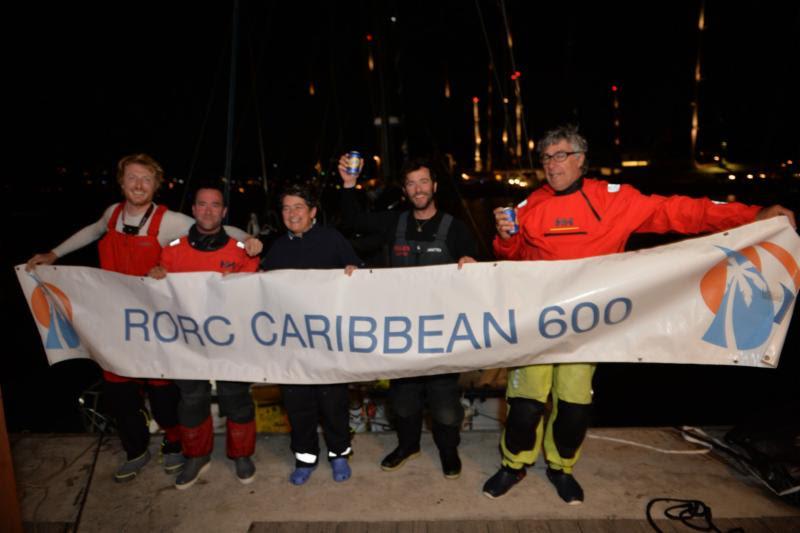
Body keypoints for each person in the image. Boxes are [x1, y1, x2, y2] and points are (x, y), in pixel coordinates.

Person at [484, 124, 796, 504]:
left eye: (561, 155)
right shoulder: (528, 205)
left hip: (588, 326)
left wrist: (753, 214)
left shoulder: (616, 200)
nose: (552, 164)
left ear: (581, 161)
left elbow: (683, 211)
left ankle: (561, 468)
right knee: (525, 407)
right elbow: (510, 260)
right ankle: (513, 464)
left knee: (574, 409)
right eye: (546, 157)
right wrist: (505, 237)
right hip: (536, 323)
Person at [25, 153, 262, 482]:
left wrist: (249, 241)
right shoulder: (113, 216)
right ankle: (136, 451)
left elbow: (218, 228)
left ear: (156, 185)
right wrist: (53, 254)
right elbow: (91, 232)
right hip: (117, 319)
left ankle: (177, 447)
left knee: (168, 396)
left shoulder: (171, 222)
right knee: (120, 392)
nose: (138, 184)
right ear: (121, 182)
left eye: (146, 179)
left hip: (158, 323)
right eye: (132, 178)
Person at [338, 155, 478, 479]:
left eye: (424, 181)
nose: (418, 189)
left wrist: (473, 263)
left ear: (435, 186)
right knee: (402, 401)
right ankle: (408, 445)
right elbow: (354, 223)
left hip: (442, 333)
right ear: (405, 190)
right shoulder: (393, 223)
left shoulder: (454, 228)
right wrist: (348, 184)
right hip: (401, 333)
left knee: (444, 405)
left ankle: (448, 450)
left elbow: (481, 272)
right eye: (412, 183)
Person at [149, 184, 259, 490]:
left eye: (215, 205)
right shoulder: (171, 251)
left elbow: (251, 297)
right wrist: (156, 276)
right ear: (194, 210)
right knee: (191, 400)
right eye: (202, 204)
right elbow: (162, 298)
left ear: (224, 212)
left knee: (236, 398)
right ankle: (196, 455)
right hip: (187, 341)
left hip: (230, 341)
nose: (209, 210)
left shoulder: (241, 252)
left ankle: (242, 454)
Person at [261, 184, 361, 486]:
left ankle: (339, 454)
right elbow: (262, 293)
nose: (292, 214)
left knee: (333, 402)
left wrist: (354, 271)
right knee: (297, 403)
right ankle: (304, 457)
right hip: (291, 344)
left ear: (313, 212)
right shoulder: (276, 248)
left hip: (328, 341)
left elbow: (359, 274)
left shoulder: (332, 239)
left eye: (298, 207)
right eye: (286, 208)